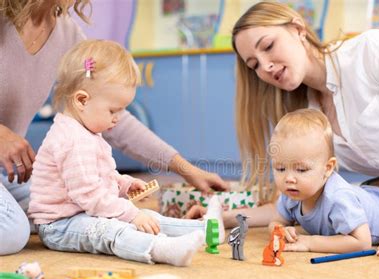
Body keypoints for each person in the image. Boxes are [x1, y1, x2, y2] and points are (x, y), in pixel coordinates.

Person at [228, 2, 379, 262]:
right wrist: (222, 217)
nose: (265, 66)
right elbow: (298, 198)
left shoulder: (371, 50)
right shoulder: (308, 117)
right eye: (254, 64)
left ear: (297, 29)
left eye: (268, 46)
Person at [0, 0, 228, 255]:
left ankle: (194, 230)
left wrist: (184, 168)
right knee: (13, 231)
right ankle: (157, 248)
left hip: (8, 173)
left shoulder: (67, 35)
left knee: (56, 202)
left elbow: (111, 117)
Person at [269, 109, 379, 253]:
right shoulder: (291, 193)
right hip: (373, 191)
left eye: (301, 169)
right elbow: (276, 221)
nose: (289, 178)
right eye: (280, 168)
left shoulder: (337, 199)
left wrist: (310, 243)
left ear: (328, 169)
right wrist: (279, 230)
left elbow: (362, 242)